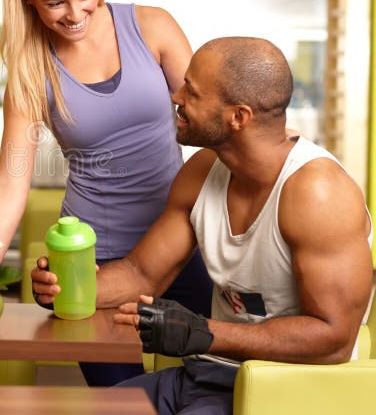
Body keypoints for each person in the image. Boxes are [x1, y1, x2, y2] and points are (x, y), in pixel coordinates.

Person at [32, 37, 374, 414]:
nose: (175, 96)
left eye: (191, 92)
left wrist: (203, 333)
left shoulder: (318, 193)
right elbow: (141, 273)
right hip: (205, 376)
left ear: (238, 117)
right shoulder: (201, 172)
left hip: (284, 392)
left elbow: (334, 338)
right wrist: (69, 288)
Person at [0, 0, 212, 385]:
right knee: (122, 397)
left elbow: (209, 122)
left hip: (179, 241)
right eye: (55, 3)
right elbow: (11, 179)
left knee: (212, 383)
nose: (75, 14)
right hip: (91, 259)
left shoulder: (152, 26)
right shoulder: (30, 70)